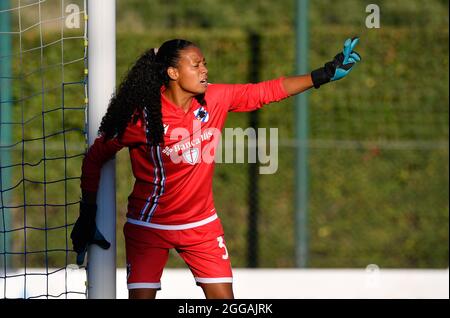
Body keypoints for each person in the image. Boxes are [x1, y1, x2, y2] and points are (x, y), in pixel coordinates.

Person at [70, 38, 361, 299]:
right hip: (149, 227)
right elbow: (95, 157)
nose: (204, 70)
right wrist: (87, 213)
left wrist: (322, 75)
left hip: (202, 227)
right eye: (195, 65)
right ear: (172, 73)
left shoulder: (215, 99)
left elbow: (265, 91)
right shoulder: (141, 118)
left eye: (204, 64)